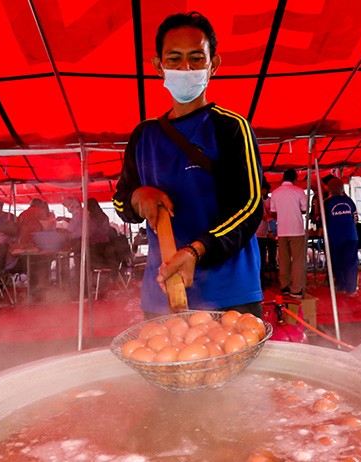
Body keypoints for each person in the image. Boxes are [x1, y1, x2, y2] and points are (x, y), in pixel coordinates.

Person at [113, 11, 263, 318]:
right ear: (159, 66)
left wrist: (196, 250)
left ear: (213, 65)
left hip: (229, 293)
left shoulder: (232, 127)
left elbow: (250, 207)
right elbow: (121, 201)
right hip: (162, 294)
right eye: (175, 59)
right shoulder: (144, 136)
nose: (186, 67)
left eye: (196, 58)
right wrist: (137, 197)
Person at [270, 169, 308, 298]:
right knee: (298, 260)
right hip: (296, 230)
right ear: (295, 179)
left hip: (282, 230)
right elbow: (304, 209)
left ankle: (284, 286)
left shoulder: (275, 193)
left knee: (284, 259)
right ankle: (296, 289)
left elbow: (273, 212)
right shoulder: (299, 191)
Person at [323, 178, 358, 295]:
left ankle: (341, 286)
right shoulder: (349, 201)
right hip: (350, 235)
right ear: (342, 188)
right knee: (350, 263)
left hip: (335, 237)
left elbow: (323, 222)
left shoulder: (326, 203)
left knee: (337, 261)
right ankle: (351, 289)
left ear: (329, 190)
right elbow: (356, 219)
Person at [255, 179, 276, 287]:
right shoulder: (256, 200)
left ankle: (269, 269)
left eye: (264, 189)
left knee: (269, 253)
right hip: (258, 233)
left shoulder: (271, 200)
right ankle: (260, 276)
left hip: (269, 231)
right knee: (260, 255)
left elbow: (275, 214)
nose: (262, 191)